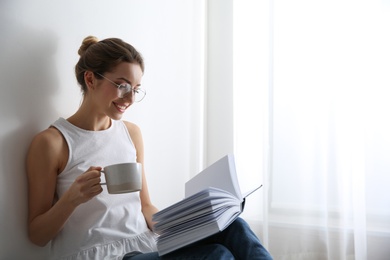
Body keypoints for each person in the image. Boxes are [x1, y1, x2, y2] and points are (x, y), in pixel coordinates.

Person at [26, 36, 273, 260]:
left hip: (145, 246)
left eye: (135, 89)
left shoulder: (131, 133)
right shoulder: (52, 143)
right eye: (122, 86)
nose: (130, 99)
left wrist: (188, 225)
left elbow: (145, 206)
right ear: (90, 79)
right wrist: (71, 199)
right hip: (100, 255)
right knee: (216, 256)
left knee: (235, 226)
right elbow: (37, 235)